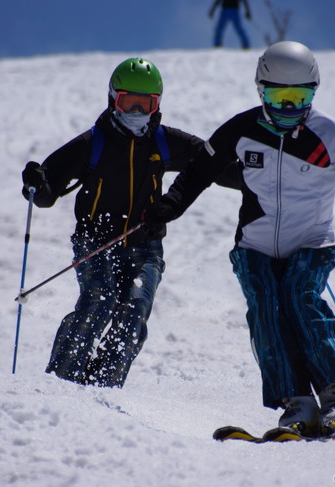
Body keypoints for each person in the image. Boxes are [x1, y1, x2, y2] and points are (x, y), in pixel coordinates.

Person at [144, 41, 335, 437]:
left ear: (313, 93)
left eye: (299, 97)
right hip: (253, 246)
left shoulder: (330, 136)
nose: (288, 108)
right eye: (278, 97)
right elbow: (198, 171)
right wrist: (169, 207)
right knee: (266, 312)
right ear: (261, 90)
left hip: (311, 243)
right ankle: (297, 403)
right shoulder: (242, 130)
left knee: (299, 299)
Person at [20, 58, 233, 388]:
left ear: (157, 105)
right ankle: (62, 382)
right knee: (100, 301)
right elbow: (46, 193)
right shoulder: (94, 143)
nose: (136, 112)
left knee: (134, 311)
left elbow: (213, 164)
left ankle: (102, 386)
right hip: (95, 242)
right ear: (112, 100)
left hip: (144, 247)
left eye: (145, 104)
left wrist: (260, 180)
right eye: (127, 102)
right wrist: (37, 183)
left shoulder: (163, 142)